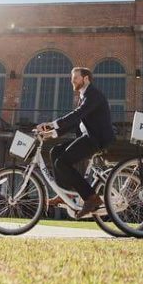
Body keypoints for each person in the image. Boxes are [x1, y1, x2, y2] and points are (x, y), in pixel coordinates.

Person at [37, 67, 115, 218]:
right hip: (88, 137)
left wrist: (53, 124)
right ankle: (65, 194)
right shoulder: (83, 96)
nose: (72, 81)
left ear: (85, 79)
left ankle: (91, 197)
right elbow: (77, 122)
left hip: (96, 138)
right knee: (55, 152)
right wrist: (52, 134)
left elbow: (77, 114)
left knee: (62, 163)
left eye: (75, 78)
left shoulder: (93, 94)